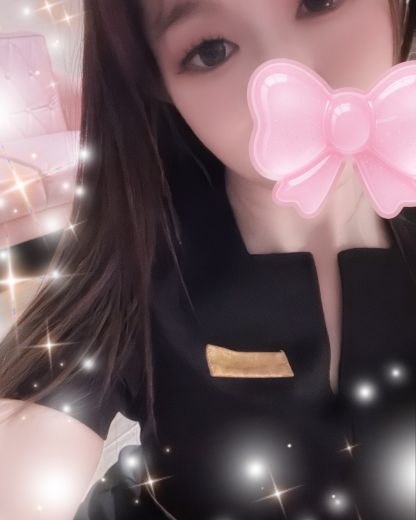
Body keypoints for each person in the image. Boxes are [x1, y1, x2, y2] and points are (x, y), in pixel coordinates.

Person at [0, 0, 415, 518]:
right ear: (157, 81)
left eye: (319, 1)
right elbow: (33, 441)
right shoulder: (141, 255)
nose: (288, 70)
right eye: (212, 50)